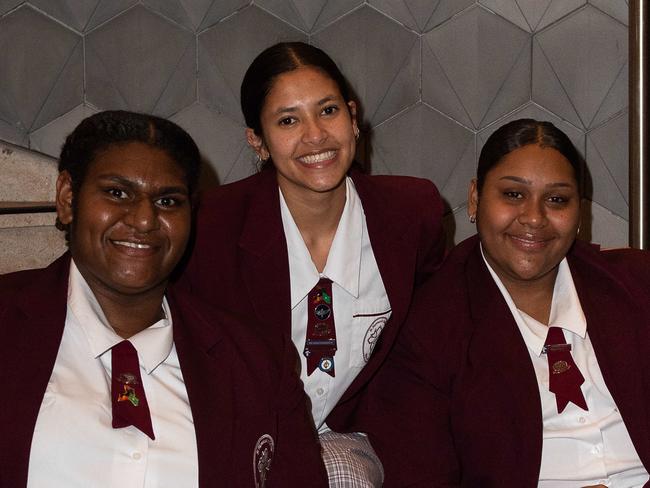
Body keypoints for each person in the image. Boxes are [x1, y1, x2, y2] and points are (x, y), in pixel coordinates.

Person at [0, 110, 327, 487]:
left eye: (168, 201)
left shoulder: (256, 363)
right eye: (117, 193)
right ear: (68, 198)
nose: (143, 219)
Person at [179, 42, 445, 485]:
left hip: (351, 433)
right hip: (238, 429)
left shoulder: (411, 211)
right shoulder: (212, 225)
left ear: (353, 118)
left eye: (327, 111)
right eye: (288, 120)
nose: (315, 135)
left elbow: (431, 333)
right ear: (257, 140)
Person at [365, 118, 650, 487]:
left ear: (580, 214)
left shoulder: (636, 286)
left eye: (557, 199)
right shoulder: (427, 328)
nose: (534, 217)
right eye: (513, 195)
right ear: (474, 198)